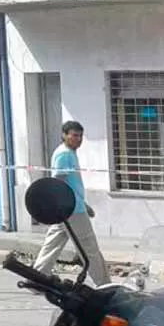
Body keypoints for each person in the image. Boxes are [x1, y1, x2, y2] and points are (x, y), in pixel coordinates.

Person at [33, 120, 110, 286]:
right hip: (72, 211)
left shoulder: (68, 152)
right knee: (89, 250)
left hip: (67, 209)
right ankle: (105, 285)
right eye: (74, 135)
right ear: (64, 135)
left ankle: (36, 277)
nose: (78, 139)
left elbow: (70, 184)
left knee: (52, 244)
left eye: (80, 136)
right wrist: (67, 206)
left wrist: (84, 204)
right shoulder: (64, 154)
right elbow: (59, 182)